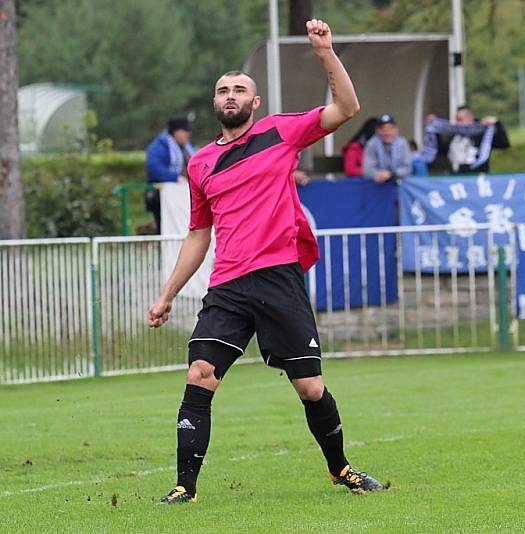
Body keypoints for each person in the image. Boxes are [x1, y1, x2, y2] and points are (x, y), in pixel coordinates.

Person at [147, 19, 384, 504]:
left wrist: (325, 53)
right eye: (222, 89)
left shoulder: (281, 132)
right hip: (229, 285)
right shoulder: (199, 164)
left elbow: (347, 107)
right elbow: (198, 233)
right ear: (216, 103)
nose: (230, 94)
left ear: (255, 103)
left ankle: (340, 469)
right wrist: (168, 293)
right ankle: (184, 488)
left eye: (239, 89)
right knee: (200, 374)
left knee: (310, 388)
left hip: (279, 280)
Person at [421, 105, 510, 174]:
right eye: (456, 119)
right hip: (456, 175)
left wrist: (497, 124)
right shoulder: (455, 135)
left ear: (470, 118)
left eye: (460, 119)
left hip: (476, 176)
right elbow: (442, 151)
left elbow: (504, 144)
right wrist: (435, 129)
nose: (458, 123)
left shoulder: (482, 135)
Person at [144, 117, 196, 233]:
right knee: (163, 226)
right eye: (185, 131)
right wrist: (175, 178)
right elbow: (154, 168)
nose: (188, 135)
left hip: (184, 194)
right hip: (161, 194)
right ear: (176, 132)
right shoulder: (158, 147)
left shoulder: (187, 147)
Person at [362, 113, 412, 183]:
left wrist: (391, 174)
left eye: (390, 128)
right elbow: (367, 170)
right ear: (377, 130)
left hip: (401, 184)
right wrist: (380, 174)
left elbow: (408, 168)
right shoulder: (371, 144)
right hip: (378, 184)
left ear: (396, 130)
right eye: (383, 129)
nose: (387, 132)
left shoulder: (402, 143)